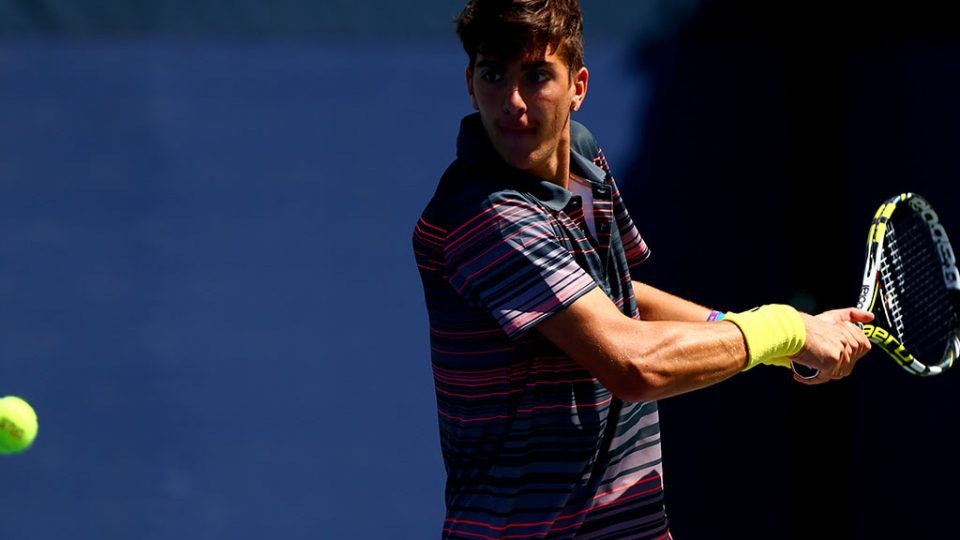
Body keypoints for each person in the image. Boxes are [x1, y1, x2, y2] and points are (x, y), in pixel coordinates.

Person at [412, 1, 872, 538]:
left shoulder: (582, 160)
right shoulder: (485, 217)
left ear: (577, 86)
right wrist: (783, 329)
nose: (512, 102)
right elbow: (632, 365)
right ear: (470, 83)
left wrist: (771, 334)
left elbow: (617, 295)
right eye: (494, 75)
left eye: (536, 76)